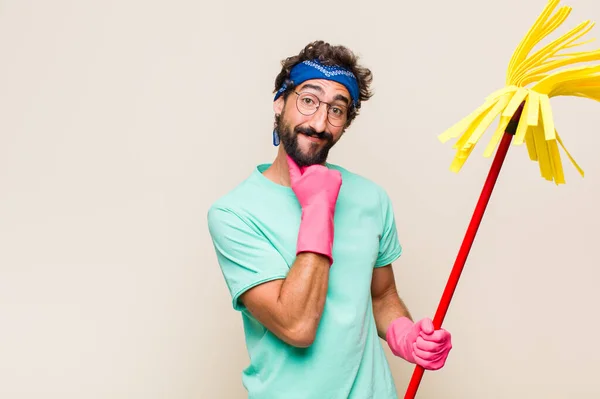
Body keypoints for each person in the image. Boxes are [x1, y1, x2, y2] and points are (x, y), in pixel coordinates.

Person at [207, 40, 453, 399]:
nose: (320, 123)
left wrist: (406, 335)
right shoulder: (234, 214)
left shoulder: (371, 198)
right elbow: (297, 326)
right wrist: (318, 208)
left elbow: (382, 295)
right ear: (280, 103)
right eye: (308, 100)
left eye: (337, 110)